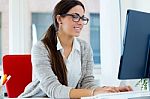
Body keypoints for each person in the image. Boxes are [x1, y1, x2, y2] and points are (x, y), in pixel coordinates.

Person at [19, 0, 132, 98]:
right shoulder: (41, 48)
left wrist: (110, 90)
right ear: (59, 19)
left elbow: (87, 83)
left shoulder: (84, 48)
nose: (80, 22)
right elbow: (54, 90)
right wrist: (94, 92)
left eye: (82, 18)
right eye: (75, 16)